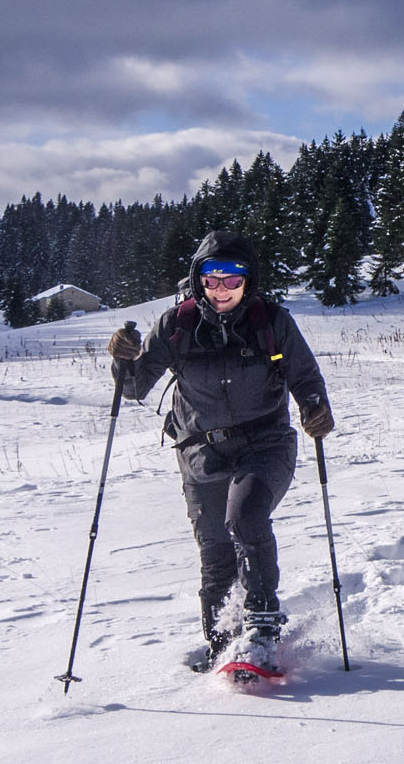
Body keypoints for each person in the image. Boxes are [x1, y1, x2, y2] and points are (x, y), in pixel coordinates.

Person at [106, 231, 336, 675]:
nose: (221, 290)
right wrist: (122, 358)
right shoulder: (176, 324)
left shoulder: (272, 321)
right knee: (215, 553)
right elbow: (134, 386)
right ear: (198, 281)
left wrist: (315, 408)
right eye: (212, 280)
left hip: (265, 445)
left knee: (246, 517)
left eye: (232, 280)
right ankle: (221, 643)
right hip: (199, 453)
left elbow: (306, 377)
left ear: (248, 281)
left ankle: (262, 629)